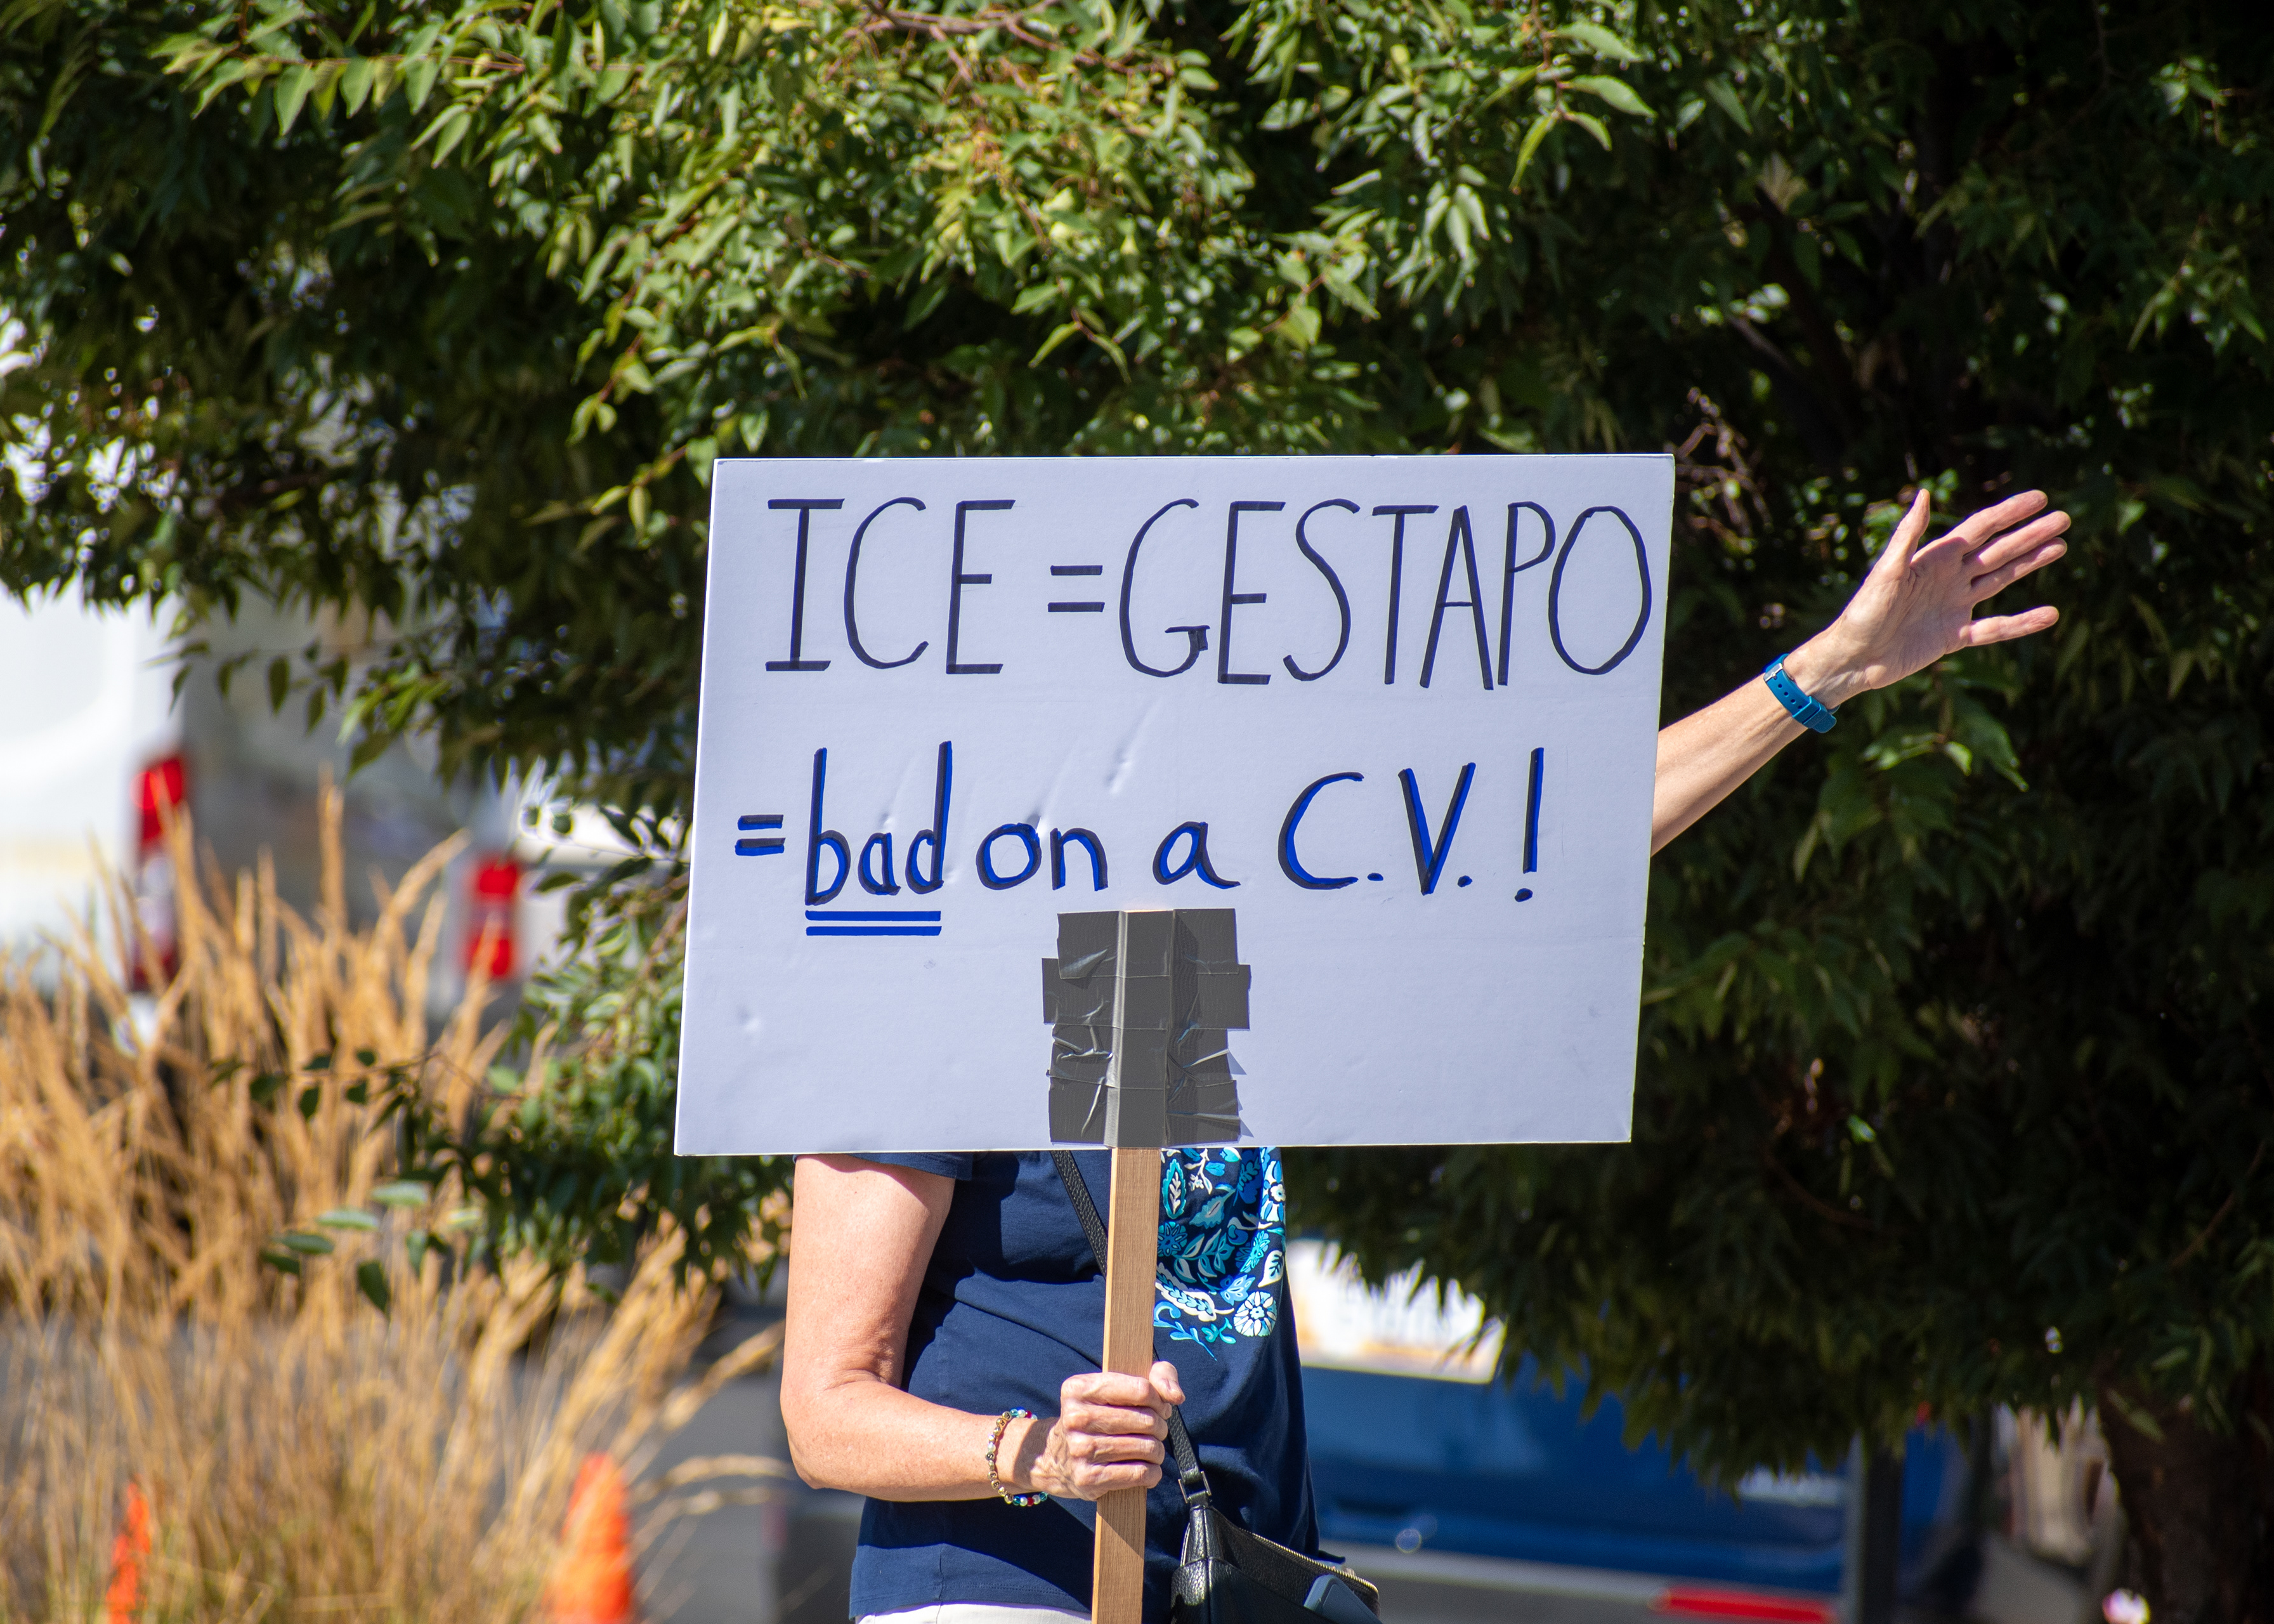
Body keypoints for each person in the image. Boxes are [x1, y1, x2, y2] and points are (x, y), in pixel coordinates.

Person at [781, 488, 2071, 1624]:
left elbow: (1533, 850)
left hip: (1240, 1575)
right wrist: (1035, 1450)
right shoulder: (918, 990)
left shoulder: (1213, 958)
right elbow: (823, 1406)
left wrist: (1827, 672)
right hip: (1009, 1588)